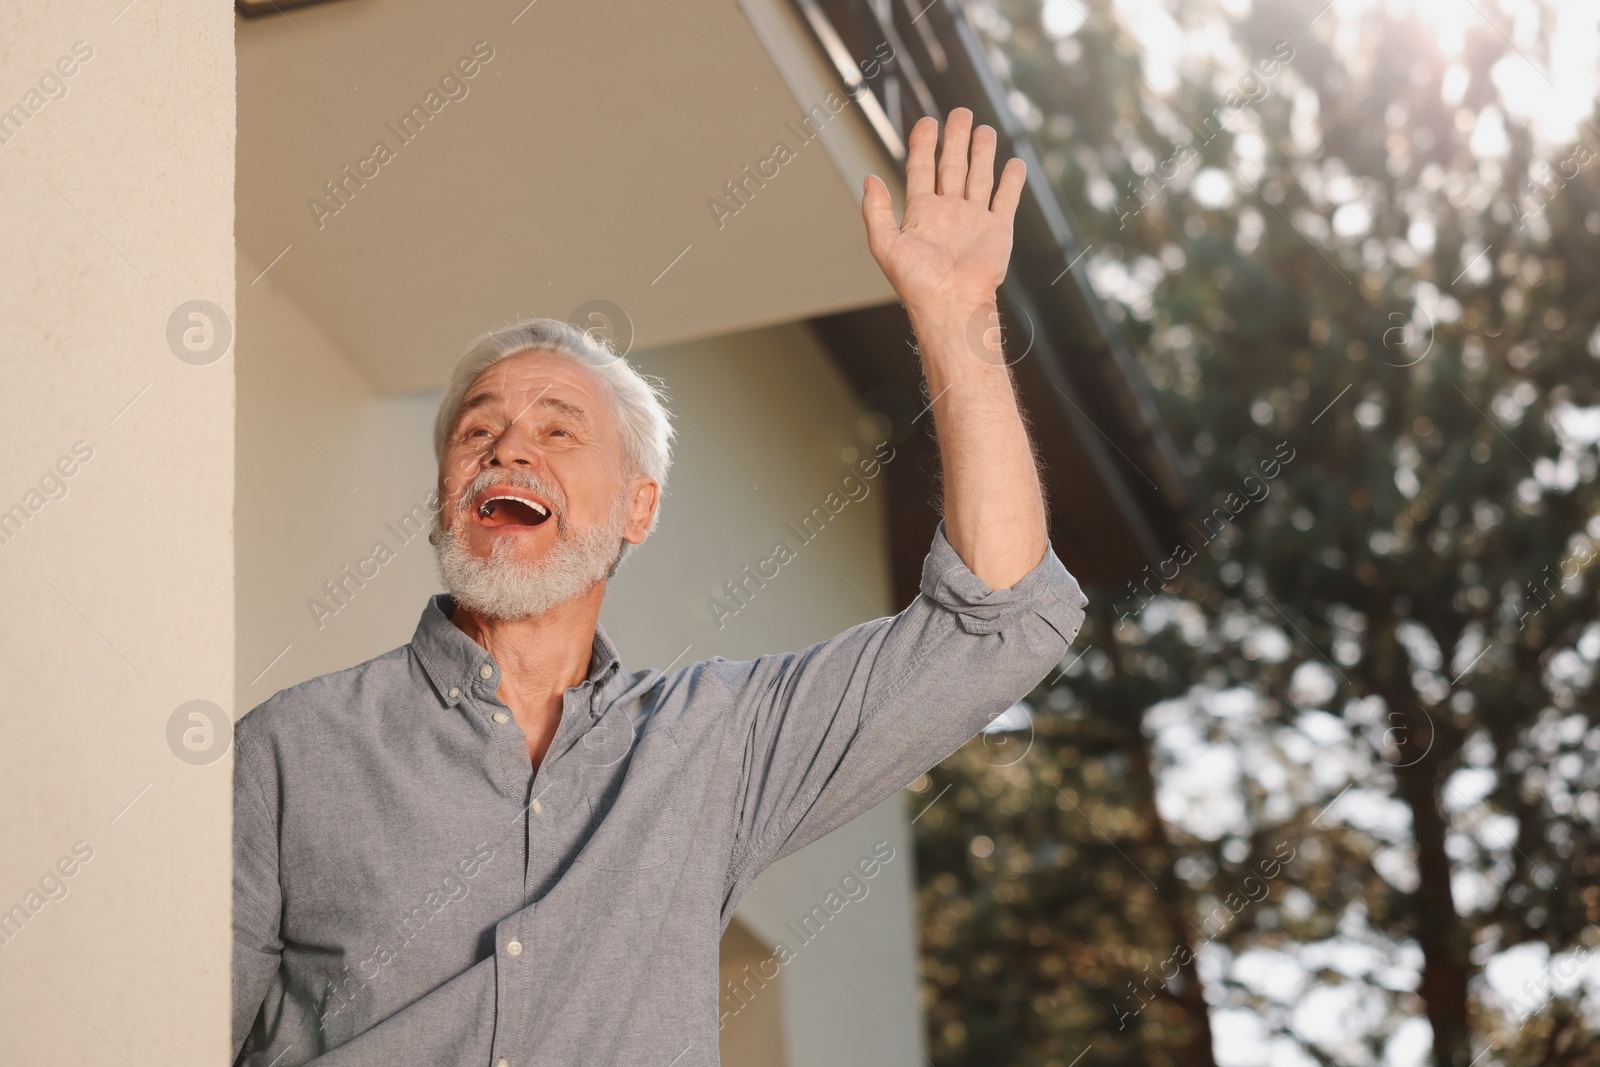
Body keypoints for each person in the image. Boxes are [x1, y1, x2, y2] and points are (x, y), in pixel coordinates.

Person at [232, 107, 1088, 1066]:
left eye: (559, 429)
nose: (509, 445)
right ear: (443, 495)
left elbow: (996, 621)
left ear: (637, 509)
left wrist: (956, 313)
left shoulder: (715, 746)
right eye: (478, 431)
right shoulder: (285, 751)